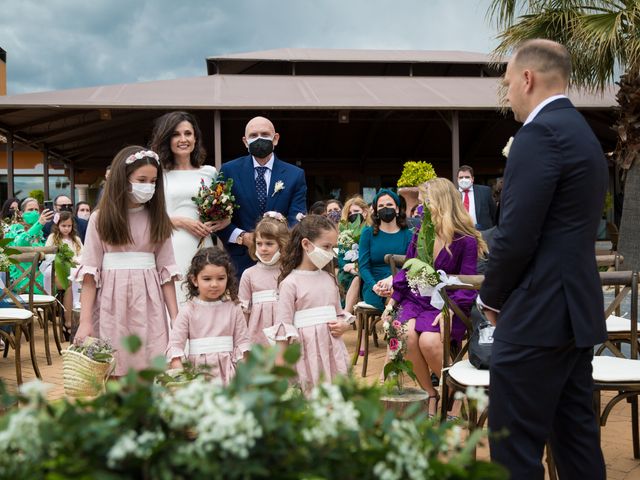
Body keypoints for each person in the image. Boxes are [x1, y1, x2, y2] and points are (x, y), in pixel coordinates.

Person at [479, 39, 607, 479]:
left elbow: (516, 235)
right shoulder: (583, 133)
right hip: (575, 312)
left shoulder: (538, 134)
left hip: (536, 315)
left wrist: (490, 298)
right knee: (575, 440)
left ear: (528, 79)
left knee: (514, 448)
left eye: (509, 81)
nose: (508, 90)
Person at [379, 178, 487, 415]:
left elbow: (467, 281)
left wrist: (450, 308)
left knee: (428, 341)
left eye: (424, 202)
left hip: (449, 302)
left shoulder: (465, 239)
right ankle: (430, 393)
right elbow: (408, 269)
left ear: (439, 203)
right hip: (417, 298)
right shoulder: (420, 232)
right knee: (404, 334)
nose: (419, 208)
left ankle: (456, 394)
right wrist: (392, 301)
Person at [74, 146, 180, 377]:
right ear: (123, 179)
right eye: (142, 179)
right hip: (111, 303)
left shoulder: (157, 218)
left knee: (149, 365)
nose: (148, 186)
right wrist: (85, 321)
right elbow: (90, 275)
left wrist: (176, 319)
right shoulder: (99, 219)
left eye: (153, 181)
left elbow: (167, 274)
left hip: (148, 303)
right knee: (113, 366)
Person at [150, 111, 227, 307]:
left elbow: (223, 211)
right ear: (167, 139)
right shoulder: (158, 174)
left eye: (188, 133)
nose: (183, 139)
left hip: (203, 243)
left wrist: (223, 220)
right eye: (176, 134)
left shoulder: (209, 172)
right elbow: (146, 216)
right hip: (171, 244)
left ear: (195, 138)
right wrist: (180, 221)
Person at [218, 116, 307, 278]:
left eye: (265, 134)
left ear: (276, 139)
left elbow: (297, 218)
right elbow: (217, 216)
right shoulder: (229, 170)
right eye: (253, 135)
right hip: (240, 263)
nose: (259, 139)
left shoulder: (295, 175)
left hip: (282, 263)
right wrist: (242, 237)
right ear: (245, 141)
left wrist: (278, 241)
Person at [272, 215, 352, 390]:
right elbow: (282, 328)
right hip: (305, 354)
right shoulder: (290, 283)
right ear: (306, 244)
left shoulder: (330, 278)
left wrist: (344, 325)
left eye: (333, 247)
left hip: (332, 352)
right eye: (326, 246)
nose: (330, 252)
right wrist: (280, 369)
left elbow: (339, 314)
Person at [166, 247, 251, 385]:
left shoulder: (234, 308)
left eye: (221, 278)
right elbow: (175, 347)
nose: (214, 284)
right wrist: (182, 379)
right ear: (194, 280)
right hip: (198, 375)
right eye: (207, 279)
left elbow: (243, 344)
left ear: (227, 278)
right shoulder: (188, 310)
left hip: (229, 375)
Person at [238, 212, 289, 346]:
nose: (263, 249)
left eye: (269, 244)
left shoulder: (289, 272)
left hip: (285, 333)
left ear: (282, 244)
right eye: (259, 244)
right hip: (258, 336)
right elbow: (244, 313)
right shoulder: (249, 274)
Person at [358, 189, 413, 311]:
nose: (385, 208)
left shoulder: (408, 235)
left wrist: (393, 279)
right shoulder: (368, 233)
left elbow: (411, 264)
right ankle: (395, 325)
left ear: (397, 209)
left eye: (389, 205)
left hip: (401, 280)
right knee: (392, 294)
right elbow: (363, 267)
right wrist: (374, 286)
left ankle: (394, 326)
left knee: (397, 293)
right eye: (381, 206)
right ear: (376, 211)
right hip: (375, 285)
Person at [44, 211, 83, 333]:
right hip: (57, 271)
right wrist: (62, 259)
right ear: (58, 225)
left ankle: (74, 311)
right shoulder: (53, 238)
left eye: (69, 226)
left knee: (75, 276)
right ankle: (68, 319)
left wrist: (76, 260)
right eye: (63, 226)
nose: (66, 229)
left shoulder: (76, 240)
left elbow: (83, 255)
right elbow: (48, 255)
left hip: (72, 272)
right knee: (70, 279)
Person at [337, 196, 371, 316]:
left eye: (356, 212)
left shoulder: (371, 230)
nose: (353, 215)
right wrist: (349, 267)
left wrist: (356, 266)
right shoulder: (344, 233)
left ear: (365, 212)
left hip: (365, 269)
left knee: (357, 278)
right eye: (350, 213)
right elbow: (341, 257)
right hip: (347, 270)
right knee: (344, 278)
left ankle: (346, 313)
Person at [457, 165, 496, 231]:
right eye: (461, 177)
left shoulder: (485, 191)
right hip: (461, 233)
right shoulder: (452, 194)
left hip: (483, 233)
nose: (464, 179)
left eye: (467, 177)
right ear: (457, 179)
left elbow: (494, 213)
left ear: (472, 179)